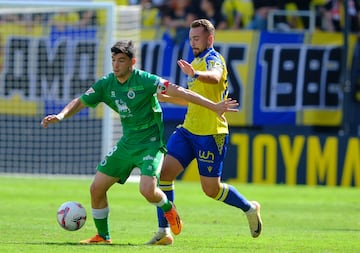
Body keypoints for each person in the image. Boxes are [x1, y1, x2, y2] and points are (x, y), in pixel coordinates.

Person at [40, 39, 239, 244]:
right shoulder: (106, 83)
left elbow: (182, 92)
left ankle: (168, 208)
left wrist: (213, 106)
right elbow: (81, 101)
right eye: (114, 60)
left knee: (147, 190)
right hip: (127, 143)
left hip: (151, 144)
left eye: (121, 60)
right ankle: (102, 236)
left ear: (132, 62)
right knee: (96, 188)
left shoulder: (146, 80)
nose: (116, 65)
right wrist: (61, 115)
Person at [148, 19, 263, 245]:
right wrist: (167, 98)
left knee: (211, 190)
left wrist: (196, 74)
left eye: (197, 38)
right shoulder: (196, 61)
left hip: (211, 133)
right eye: (191, 38)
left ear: (210, 39)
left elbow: (216, 77)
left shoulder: (213, 59)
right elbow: (193, 102)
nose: (193, 42)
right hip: (188, 130)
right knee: (163, 175)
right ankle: (164, 232)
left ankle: (249, 208)